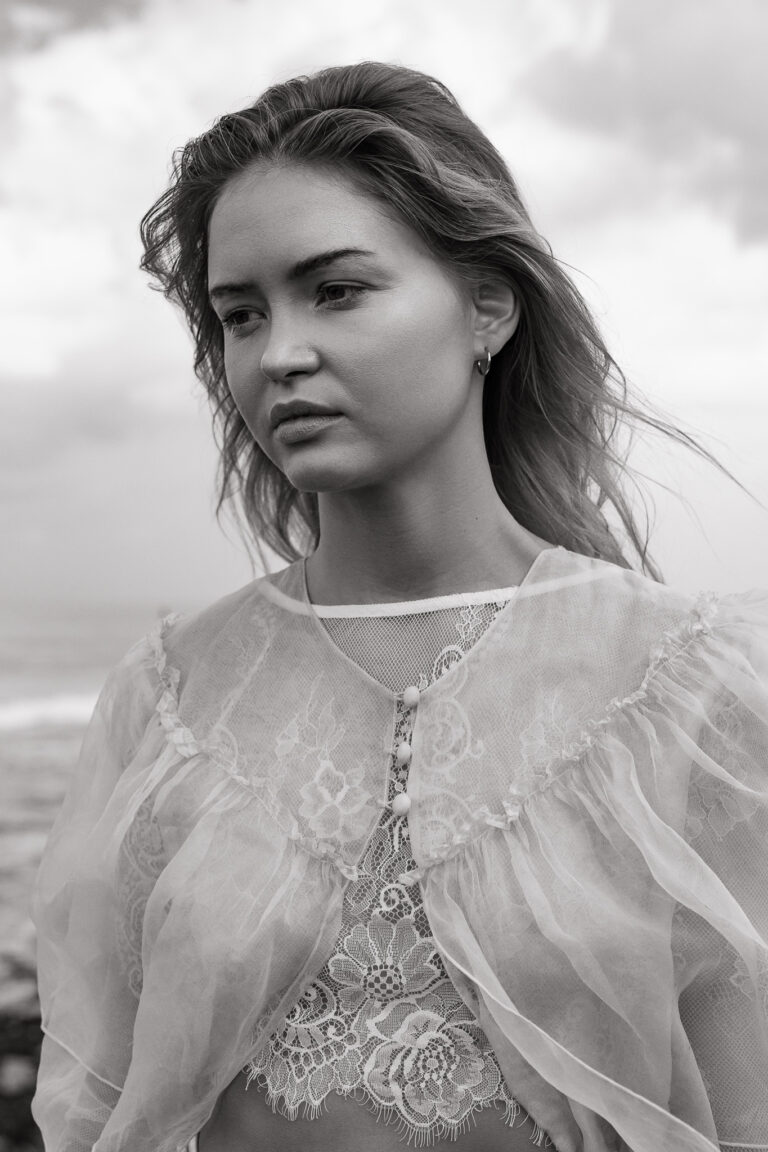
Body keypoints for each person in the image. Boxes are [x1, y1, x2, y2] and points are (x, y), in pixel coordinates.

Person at [30, 60, 768, 1152]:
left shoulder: (692, 687)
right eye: (239, 315)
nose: (279, 354)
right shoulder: (170, 699)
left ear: (487, 306)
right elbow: (94, 1095)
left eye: (337, 289)